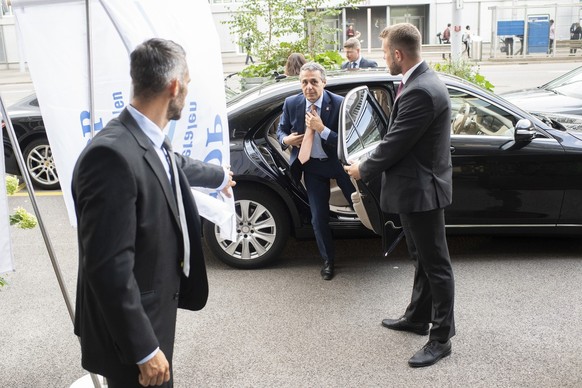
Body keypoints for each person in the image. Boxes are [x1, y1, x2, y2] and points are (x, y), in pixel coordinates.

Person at [72, 38, 235, 387]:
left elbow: (173, 165)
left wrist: (220, 176)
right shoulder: (110, 157)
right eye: (187, 84)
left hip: (152, 315)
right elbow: (108, 267)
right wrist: (144, 349)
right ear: (174, 86)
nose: (187, 92)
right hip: (130, 336)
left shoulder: (146, 138)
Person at [345, 23, 455, 368]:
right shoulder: (419, 82)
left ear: (398, 54)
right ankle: (416, 317)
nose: (382, 59)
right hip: (416, 188)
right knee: (422, 259)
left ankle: (441, 338)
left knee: (435, 264)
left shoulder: (421, 90)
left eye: (384, 53)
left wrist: (364, 168)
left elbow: (396, 143)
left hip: (422, 190)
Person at [276, 62, 355, 281]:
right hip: (312, 167)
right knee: (318, 218)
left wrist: (322, 129)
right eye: (304, 82)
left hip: (339, 166)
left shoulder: (339, 103)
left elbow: (348, 141)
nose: (309, 87)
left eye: (314, 82)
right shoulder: (292, 103)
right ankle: (328, 261)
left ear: (324, 83)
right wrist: (286, 139)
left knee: (361, 205)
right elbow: (280, 129)